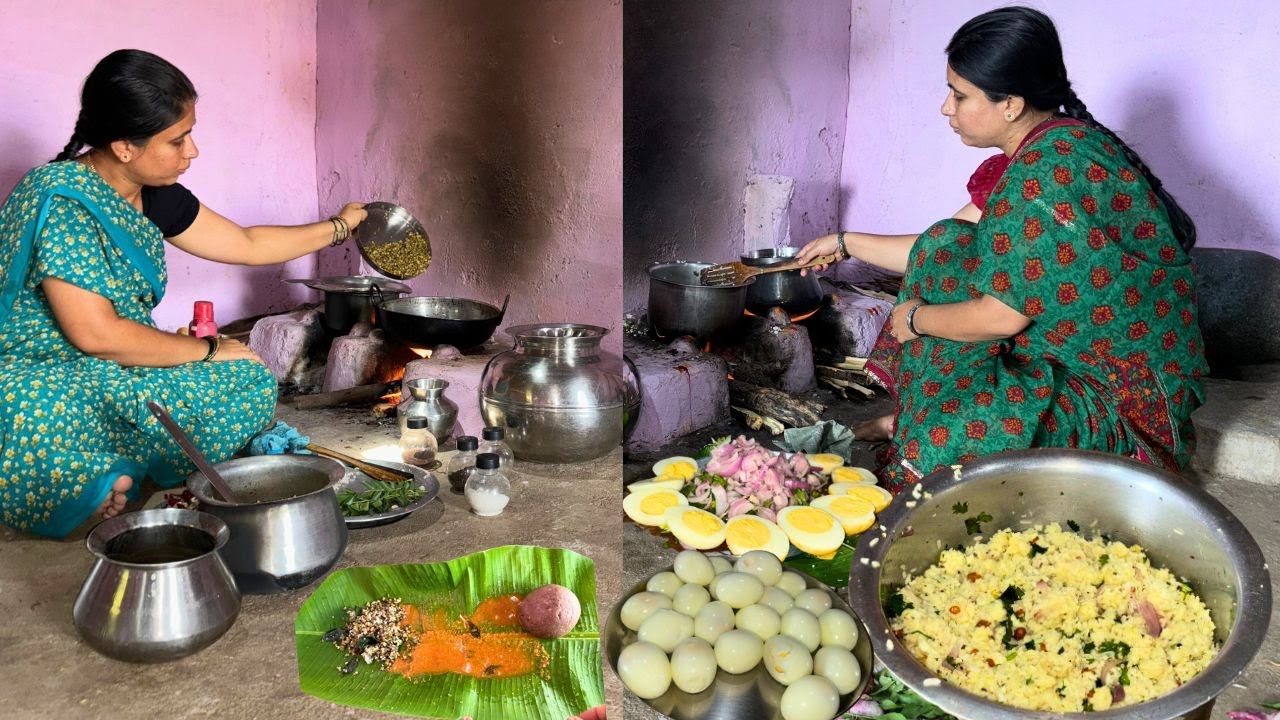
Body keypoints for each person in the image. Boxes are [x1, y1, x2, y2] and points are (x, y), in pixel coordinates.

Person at [797, 7, 1205, 491]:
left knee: (946, 459)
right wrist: (845, 242)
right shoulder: (1048, 146)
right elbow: (933, 247)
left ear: (1010, 104)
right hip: (1065, 346)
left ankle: (923, 428)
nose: (946, 108)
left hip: (1120, 396)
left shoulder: (1045, 176)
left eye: (959, 95)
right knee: (946, 247)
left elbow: (1000, 319)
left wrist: (913, 319)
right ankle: (919, 419)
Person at [0, 49, 368, 537]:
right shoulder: (63, 198)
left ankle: (108, 467)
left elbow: (245, 243)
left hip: (121, 368)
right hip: (44, 370)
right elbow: (94, 335)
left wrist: (340, 226)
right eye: (177, 140)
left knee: (250, 380)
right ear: (124, 146)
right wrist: (206, 349)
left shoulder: (152, 191)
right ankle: (89, 478)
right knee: (30, 407)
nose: (191, 151)